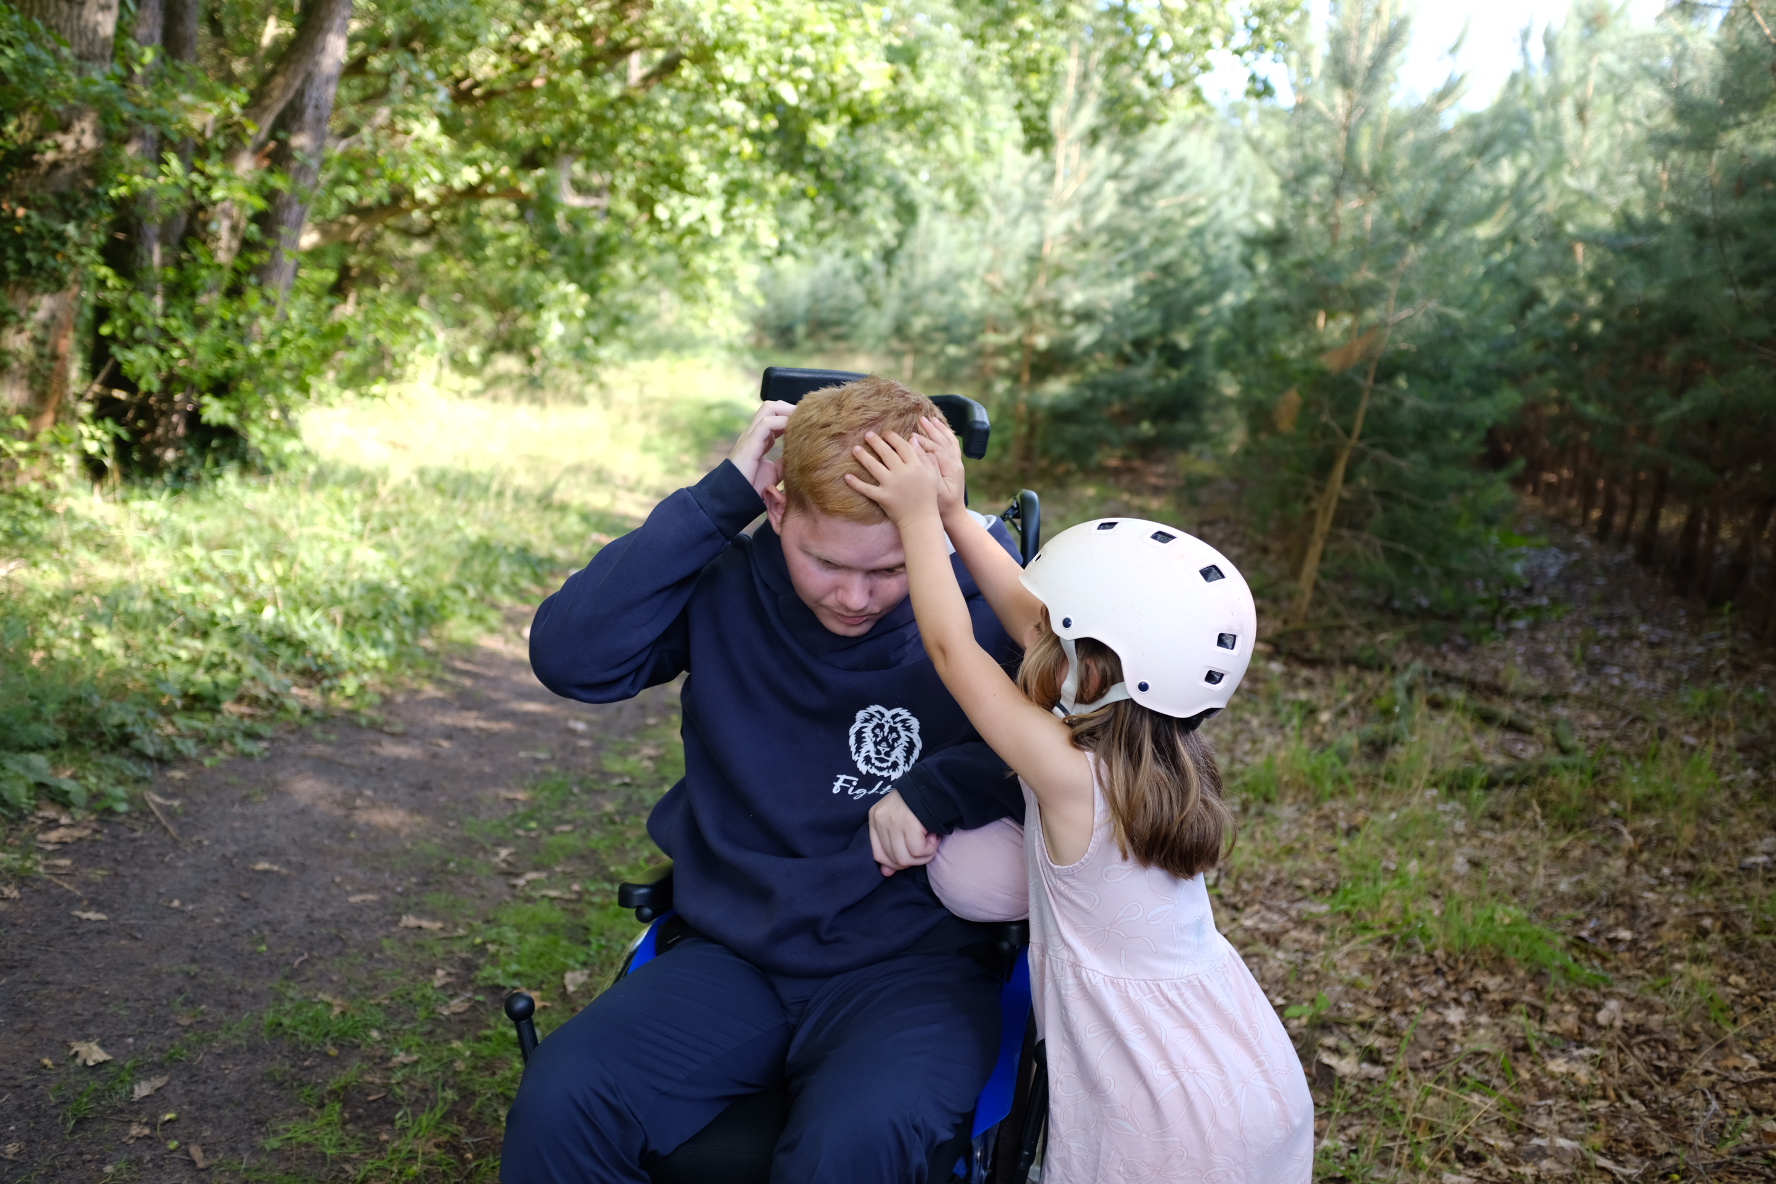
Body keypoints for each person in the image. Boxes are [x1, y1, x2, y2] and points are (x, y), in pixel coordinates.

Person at [503, 376, 1028, 1184]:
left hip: (914, 967)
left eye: (890, 569)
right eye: (825, 562)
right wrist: (717, 500)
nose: (854, 597)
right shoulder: (730, 580)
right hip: (733, 952)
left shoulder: (981, 604)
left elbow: (1086, 748)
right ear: (777, 507)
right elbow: (571, 658)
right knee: (564, 1098)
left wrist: (943, 785)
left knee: (856, 1143)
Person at [847, 418, 1315, 1184]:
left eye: (1054, 635)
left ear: (1089, 675)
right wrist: (957, 514)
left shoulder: (1070, 772)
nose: (1033, 637)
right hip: (1241, 1069)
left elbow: (954, 650)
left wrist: (917, 519)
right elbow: (1032, 621)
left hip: (1160, 1110)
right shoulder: (1156, 749)